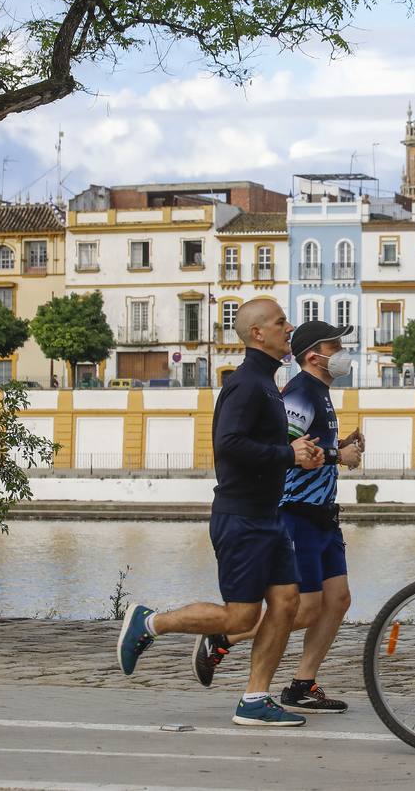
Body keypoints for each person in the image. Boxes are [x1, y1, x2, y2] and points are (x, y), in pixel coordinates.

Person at [116, 299, 324, 727]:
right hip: (242, 516)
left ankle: (254, 699)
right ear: (257, 334)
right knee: (241, 616)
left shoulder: (267, 382)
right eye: (281, 322)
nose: (290, 328)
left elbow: (267, 446)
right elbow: (229, 445)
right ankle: (150, 622)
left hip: (267, 516)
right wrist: (288, 452)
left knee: (285, 604)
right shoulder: (246, 384)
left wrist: (304, 454)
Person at [192, 320, 364, 714]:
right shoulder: (301, 392)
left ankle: (302, 684)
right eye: (334, 345)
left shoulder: (319, 392)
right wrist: (340, 456)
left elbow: (307, 446)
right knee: (304, 608)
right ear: (313, 355)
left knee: (338, 600)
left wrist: (339, 445)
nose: (342, 351)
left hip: (323, 514)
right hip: (296, 512)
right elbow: (285, 450)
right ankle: (223, 636)